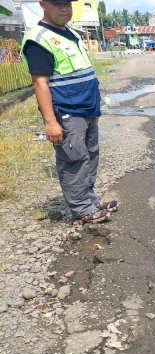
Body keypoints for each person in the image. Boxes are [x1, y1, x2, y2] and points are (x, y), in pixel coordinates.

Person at [21, 0, 117, 224]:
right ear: (43, 4)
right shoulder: (39, 40)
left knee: (90, 156)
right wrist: (51, 123)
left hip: (87, 109)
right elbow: (40, 83)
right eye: (57, 4)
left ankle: (90, 201)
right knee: (74, 159)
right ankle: (82, 210)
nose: (64, 8)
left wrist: (95, 108)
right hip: (67, 111)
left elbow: (85, 74)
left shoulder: (71, 34)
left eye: (67, 4)